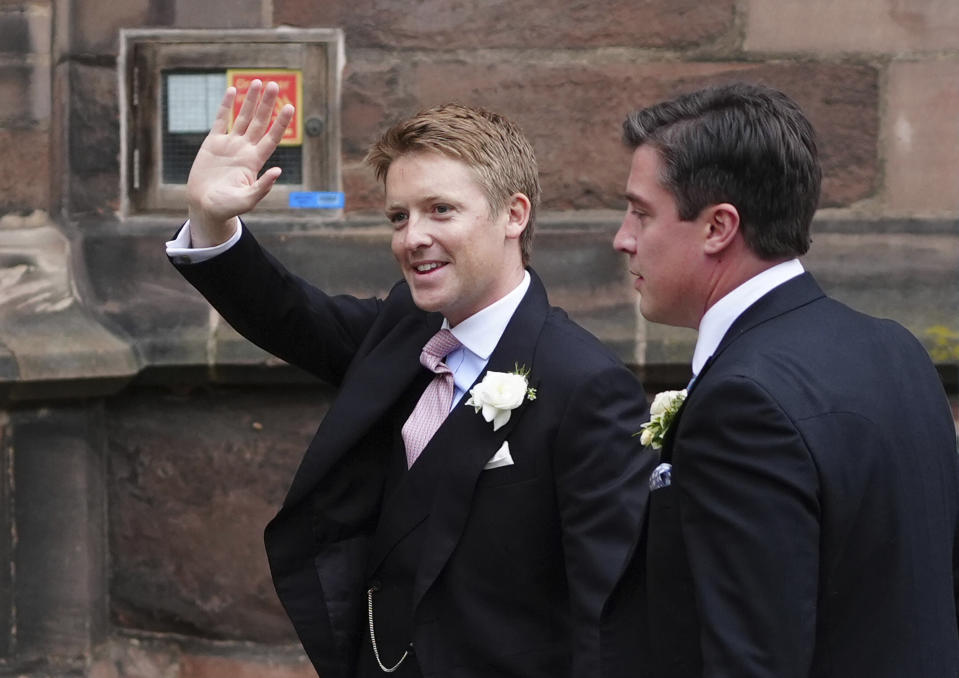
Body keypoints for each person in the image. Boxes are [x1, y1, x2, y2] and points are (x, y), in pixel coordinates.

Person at [167, 80, 655, 678]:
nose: (412, 237)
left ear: (513, 214)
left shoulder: (588, 387)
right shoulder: (405, 327)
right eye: (399, 216)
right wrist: (209, 219)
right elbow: (289, 315)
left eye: (440, 209)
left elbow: (608, 612)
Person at [613, 81, 959, 677]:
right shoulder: (895, 349)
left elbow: (751, 659)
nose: (623, 238)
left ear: (718, 227)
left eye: (642, 213)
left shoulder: (743, 402)